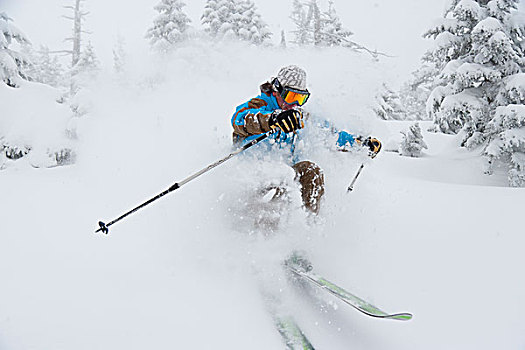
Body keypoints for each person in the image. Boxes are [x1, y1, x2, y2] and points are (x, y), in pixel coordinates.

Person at [230, 65, 381, 215]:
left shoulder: (298, 117)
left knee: (310, 171)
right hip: (252, 180)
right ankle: (261, 235)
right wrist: (272, 119)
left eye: (300, 98)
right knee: (279, 184)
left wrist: (360, 144)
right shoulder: (259, 105)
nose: (295, 104)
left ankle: (310, 227)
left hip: (285, 177)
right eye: (291, 97)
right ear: (277, 90)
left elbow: (331, 135)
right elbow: (240, 119)